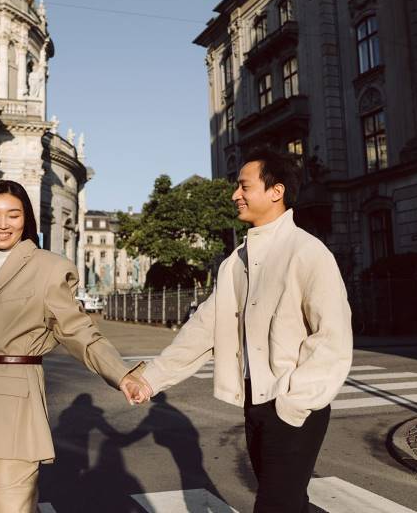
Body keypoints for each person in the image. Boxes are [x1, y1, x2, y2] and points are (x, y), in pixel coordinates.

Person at [130, 150, 353, 513]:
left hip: (293, 406)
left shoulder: (308, 252)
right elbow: (204, 329)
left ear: (275, 192)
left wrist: (294, 402)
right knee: (291, 503)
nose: (235, 194)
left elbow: (332, 338)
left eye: (244, 186)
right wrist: (151, 378)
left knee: (274, 505)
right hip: (256, 402)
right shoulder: (237, 261)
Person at [0, 179, 145, 513]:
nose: (2, 224)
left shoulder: (48, 268)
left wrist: (121, 373)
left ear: (26, 220)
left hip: (14, 405)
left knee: (9, 500)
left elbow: (79, 330)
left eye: (13, 214)